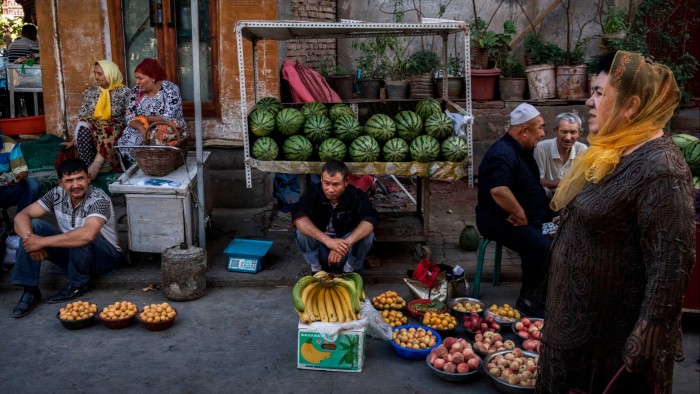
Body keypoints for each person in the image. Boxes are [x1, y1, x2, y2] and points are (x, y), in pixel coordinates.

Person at [537, 51, 695, 393]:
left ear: (632, 105)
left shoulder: (662, 169)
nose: (588, 100)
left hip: (606, 350)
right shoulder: (611, 149)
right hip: (574, 330)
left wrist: (644, 339)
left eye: (598, 93)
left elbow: (671, 263)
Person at [11, 158, 122, 318]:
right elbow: (21, 216)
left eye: (80, 178)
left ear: (88, 178)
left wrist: (41, 242)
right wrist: (32, 242)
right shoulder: (56, 194)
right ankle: (30, 290)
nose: (76, 185)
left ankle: (79, 284)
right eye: (69, 181)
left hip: (104, 258)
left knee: (80, 234)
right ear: (61, 183)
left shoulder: (99, 199)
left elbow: (87, 234)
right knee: (33, 226)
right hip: (74, 254)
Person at [475, 103, 554, 318]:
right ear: (524, 130)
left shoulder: (522, 150)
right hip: (501, 221)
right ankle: (529, 298)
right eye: (540, 128)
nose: (543, 133)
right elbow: (499, 190)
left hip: (532, 218)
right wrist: (519, 213)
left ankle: (548, 291)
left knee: (558, 232)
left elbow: (527, 183)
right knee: (541, 245)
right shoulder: (502, 153)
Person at [292, 160, 379, 273]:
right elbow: (299, 216)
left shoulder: (356, 195)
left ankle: (349, 269)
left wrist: (344, 244)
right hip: (321, 250)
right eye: (326, 183)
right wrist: (329, 241)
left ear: (346, 181)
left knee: (368, 234)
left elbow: (371, 218)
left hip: (346, 253)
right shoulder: (312, 192)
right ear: (321, 180)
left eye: (336, 184)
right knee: (301, 231)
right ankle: (316, 269)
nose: (330, 189)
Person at [62, 60, 131, 179]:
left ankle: (97, 165)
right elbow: (83, 115)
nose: (96, 77)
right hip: (95, 126)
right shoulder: (91, 91)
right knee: (83, 124)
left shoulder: (125, 92)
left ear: (111, 73)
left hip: (116, 127)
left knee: (111, 128)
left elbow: (129, 116)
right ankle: (86, 167)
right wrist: (75, 139)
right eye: (95, 73)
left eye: (100, 74)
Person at [116, 58, 186, 167]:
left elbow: (169, 116)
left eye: (140, 78)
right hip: (143, 126)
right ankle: (138, 167)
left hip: (167, 126)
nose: (137, 81)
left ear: (153, 77)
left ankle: (159, 166)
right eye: (136, 78)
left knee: (161, 135)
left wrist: (147, 119)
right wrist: (142, 128)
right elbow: (129, 117)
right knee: (129, 136)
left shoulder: (170, 89)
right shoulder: (135, 91)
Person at [533, 112, 588, 197]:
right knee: (542, 191)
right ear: (555, 131)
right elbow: (537, 180)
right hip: (547, 196)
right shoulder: (542, 148)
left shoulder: (582, 149)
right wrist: (564, 183)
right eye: (564, 132)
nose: (568, 138)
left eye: (573, 132)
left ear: (579, 133)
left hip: (571, 195)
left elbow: (583, 180)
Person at [0, 134, 40, 212]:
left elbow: (20, 170)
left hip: (4, 188)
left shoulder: (9, 143)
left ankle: (20, 220)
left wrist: (20, 175)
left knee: (32, 185)